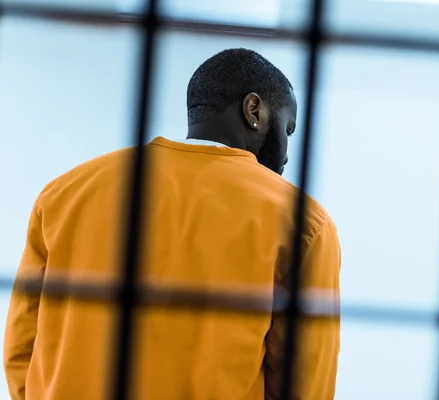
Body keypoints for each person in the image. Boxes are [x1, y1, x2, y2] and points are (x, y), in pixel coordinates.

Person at [4, 48, 341, 400]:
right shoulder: (303, 224)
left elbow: (21, 348)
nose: (286, 152)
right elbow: (303, 384)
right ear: (254, 110)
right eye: (287, 127)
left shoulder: (66, 194)